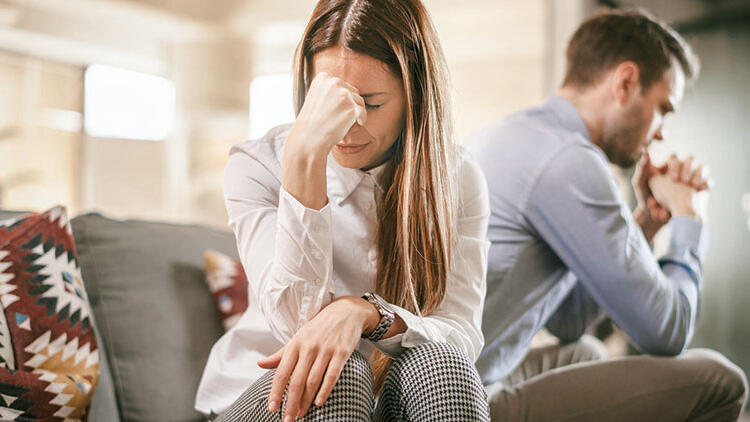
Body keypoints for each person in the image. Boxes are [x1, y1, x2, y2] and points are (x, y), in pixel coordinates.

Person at [195, 0, 492, 421]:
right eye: (331, 100)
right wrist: (305, 157)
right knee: (337, 374)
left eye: (370, 104)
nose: (346, 127)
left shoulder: (457, 177)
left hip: (380, 405)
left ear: (414, 96)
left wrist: (366, 313)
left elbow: (461, 334)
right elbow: (296, 326)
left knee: (443, 364)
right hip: (258, 398)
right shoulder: (258, 164)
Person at [469, 8, 748, 421]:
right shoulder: (571, 161)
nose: (661, 132)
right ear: (626, 82)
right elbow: (667, 332)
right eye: (663, 108)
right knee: (722, 381)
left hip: (449, 375)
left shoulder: (521, 134)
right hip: (458, 402)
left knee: (585, 351)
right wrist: (691, 215)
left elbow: (569, 321)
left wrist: (647, 222)